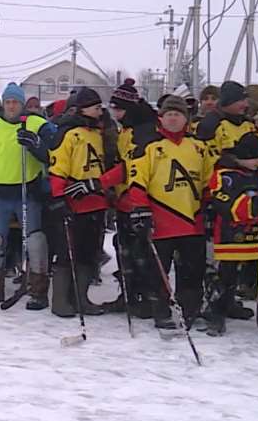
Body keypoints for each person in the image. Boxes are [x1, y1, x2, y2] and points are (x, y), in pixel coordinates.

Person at [122, 96, 211, 331]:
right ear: (160, 118)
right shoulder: (148, 146)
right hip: (161, 219)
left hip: (192, 219)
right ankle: (161, 310)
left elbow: (210, 180)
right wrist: (140, 210)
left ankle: (190, 310)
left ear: (186, 119)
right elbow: (136, 180)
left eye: (178, 114)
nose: (173, 118)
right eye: (168, 114)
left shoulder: (199, 147)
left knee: (193, 269)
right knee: (158, 269)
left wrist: (210, 206)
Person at [0, 83, 57, 309]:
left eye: (16, 102)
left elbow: (54, 155)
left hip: (27, 190)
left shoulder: (37, 124)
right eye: (8, 102)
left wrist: (36, 145)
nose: (12, 106)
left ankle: (38, 291)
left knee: (34, 240)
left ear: (22, 104)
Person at [205, 133, 258, 340]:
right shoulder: (225, 175)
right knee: (226, 281)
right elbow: (224, 203)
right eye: (255, 157)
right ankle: (216, 316)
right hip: (233, 239)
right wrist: (255, 204)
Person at [46, 87, 121, 317]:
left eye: (101, 107)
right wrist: (59, 198)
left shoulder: (102, 133)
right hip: (74, 200)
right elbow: (58, 169)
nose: (100, 111)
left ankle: (81, 298)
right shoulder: (69, 133)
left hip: (96, 201)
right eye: (96, 107)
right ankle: (60, 301)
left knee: (89, 253)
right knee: (69, 251)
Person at [108, 79, 159, 316]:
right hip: (124, 198)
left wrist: (102, 182)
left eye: (118, 109)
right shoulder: (126, 129)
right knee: (125, 247)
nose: (115, 114)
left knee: (141, 251)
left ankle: (148, 296)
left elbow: (132, 167)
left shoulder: (144, 131)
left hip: (139, 199)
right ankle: (128, 293)